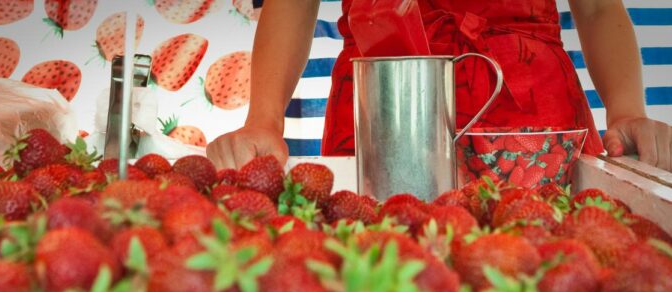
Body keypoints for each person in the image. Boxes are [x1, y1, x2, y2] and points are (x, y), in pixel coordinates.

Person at [207, 0, 672, 172]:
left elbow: (597, 8)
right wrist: (263, 121)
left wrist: (627, 112)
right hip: (384, 103)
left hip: (531, 121)